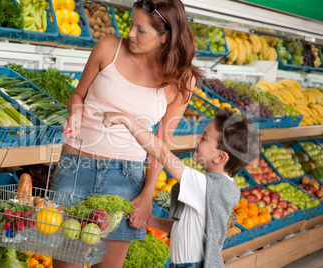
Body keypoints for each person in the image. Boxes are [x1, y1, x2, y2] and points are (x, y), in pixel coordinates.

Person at [51, 0, 203, 266]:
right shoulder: (108, 47)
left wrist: (146, 195)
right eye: (131, 24)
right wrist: (75, 111)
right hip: (75, 168)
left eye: (141, 30)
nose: (131, 33)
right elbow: (78, 94)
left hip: (125, 179)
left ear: (165, 36)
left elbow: (160, 144)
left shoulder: (181, 80)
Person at [97, 108, 260, 268]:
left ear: (219, 157)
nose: (197, 140)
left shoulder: (205, 186)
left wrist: (128, 122)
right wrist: (150, 220)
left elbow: (161, 152)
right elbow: (187, 231)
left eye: (204, 138)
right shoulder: (215, 187)